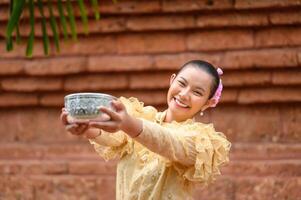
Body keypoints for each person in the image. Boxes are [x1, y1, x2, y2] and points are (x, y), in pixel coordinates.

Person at [60, 60, 231, 200]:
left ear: (208, 103)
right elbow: (114, 137)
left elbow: (169, 142)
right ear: (172, 80)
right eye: (181, 83)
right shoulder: (142, 117)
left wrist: (127, 123)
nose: (185, 94)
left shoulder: (200, 141)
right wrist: (86, 128)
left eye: (197, 92)